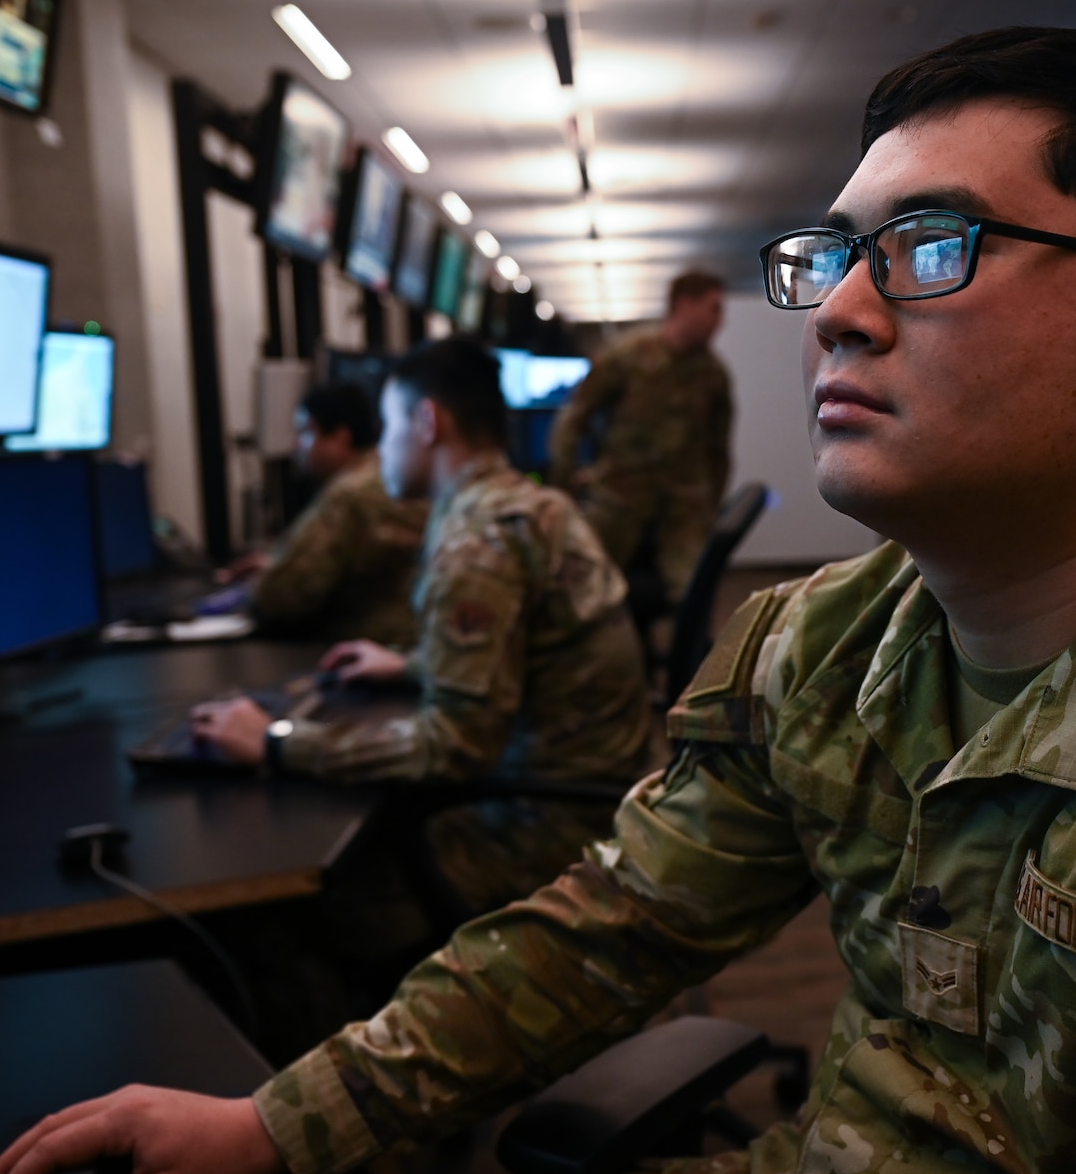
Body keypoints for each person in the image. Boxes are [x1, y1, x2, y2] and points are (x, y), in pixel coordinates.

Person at [0, 29, 1076, 1174]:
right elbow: (609, 927)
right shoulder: (822, 644)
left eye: (930, 247)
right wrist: (282, 1119)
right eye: (834, 254)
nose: (836, 306)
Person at [191, 339, 651, 914]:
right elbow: (526, 652)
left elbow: (454, 749)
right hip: (598, 805)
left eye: (387, 427)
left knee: (291, 912)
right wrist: (414, 664)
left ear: (428, 421)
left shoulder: (474, 544)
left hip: (537, 834)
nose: (380, 449)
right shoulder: (535, 504)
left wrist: (278, 742)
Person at [549, 270, 733, 601]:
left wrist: (710, 507)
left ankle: (692, 654)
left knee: (693, 593)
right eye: (714, 308)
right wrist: (562, 488)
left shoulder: (713, 374)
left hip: (684, 503)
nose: (720, 321)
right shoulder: (628, 355)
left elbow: (718, 449)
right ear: (684, 304)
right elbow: (573, 419)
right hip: (621, 494)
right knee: (581, 586)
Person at [218, 382, 429, 648]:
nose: (296, 445)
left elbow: (282, 597)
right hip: (414, 647)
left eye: (306, 432)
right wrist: (277, 563)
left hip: (365, 649)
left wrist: (259, 586)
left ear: (340, 437)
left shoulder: (349, 494)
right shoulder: (398, 476)